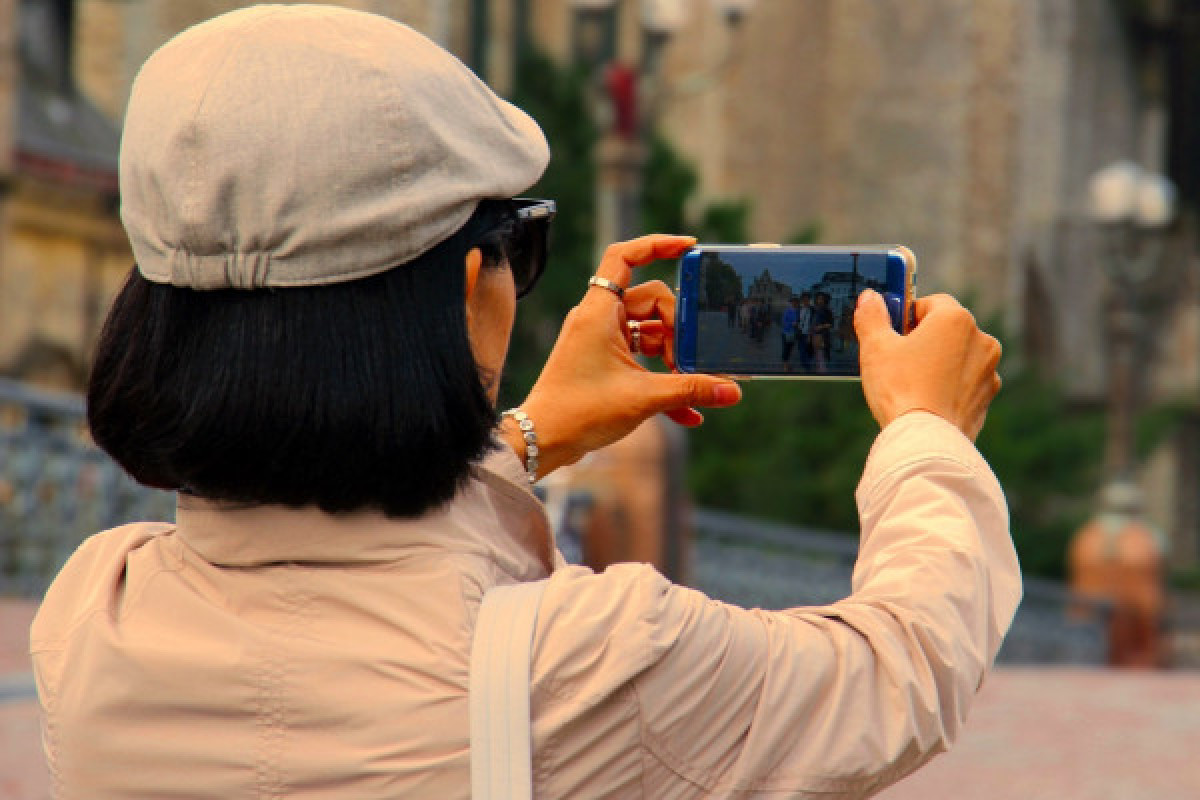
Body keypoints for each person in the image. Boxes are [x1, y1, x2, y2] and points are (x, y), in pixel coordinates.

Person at [30, 7, 1019, 798]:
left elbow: (335, 565)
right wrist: (927, 433)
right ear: (472, 286)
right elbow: (899, 670)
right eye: (519, 244)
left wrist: (526, 439)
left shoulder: (94, 614)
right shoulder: (587, 664)